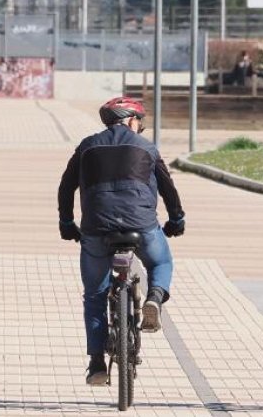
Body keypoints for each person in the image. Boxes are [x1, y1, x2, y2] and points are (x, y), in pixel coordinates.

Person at [57, 96, 187, 386]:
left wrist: (67, 223)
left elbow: (66, 187)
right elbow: (168, 187)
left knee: (94, 296)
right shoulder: (146, 147)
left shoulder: (87, 146)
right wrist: (176, 219)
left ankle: (96, 363)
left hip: (96, 229)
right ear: (131, 120)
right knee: (161, 261)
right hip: (141, 226)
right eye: (139, 122)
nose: (140, 128)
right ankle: (154, 298)